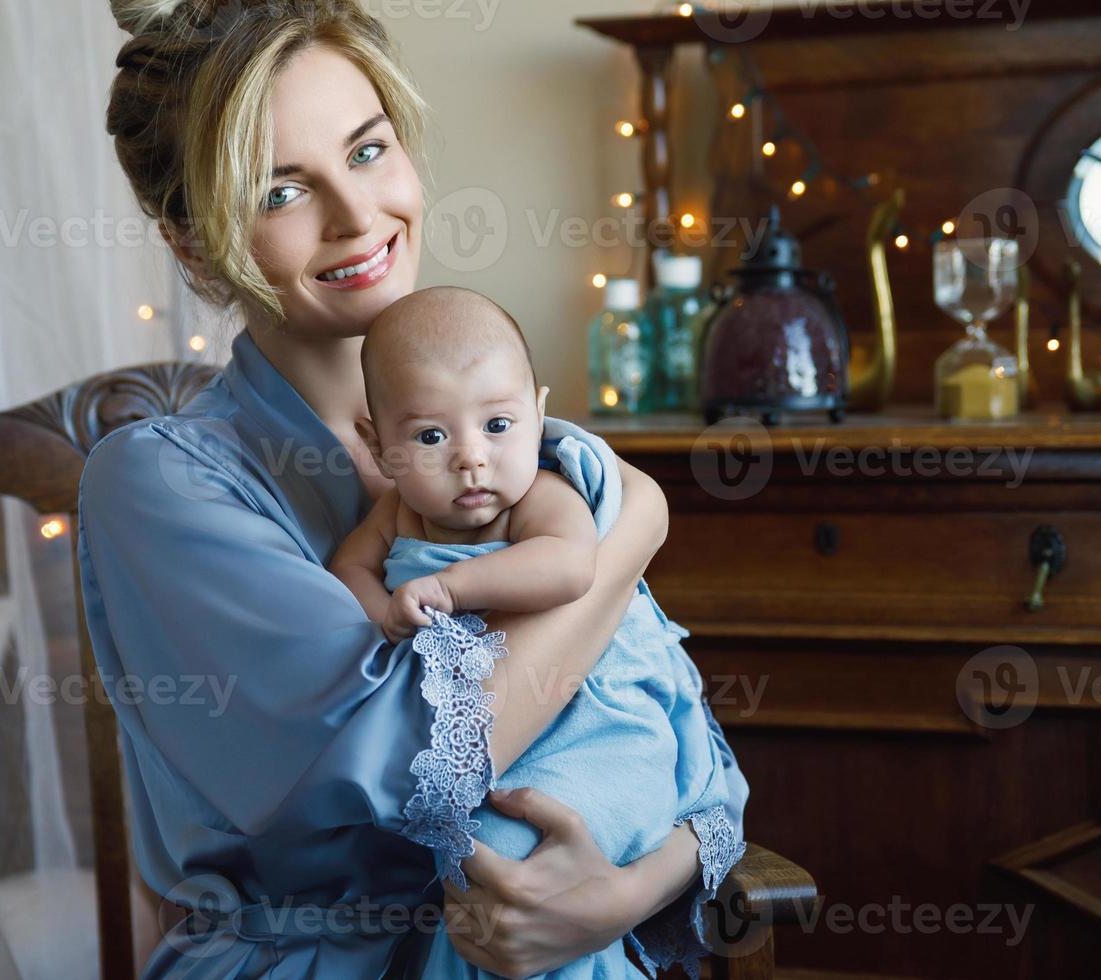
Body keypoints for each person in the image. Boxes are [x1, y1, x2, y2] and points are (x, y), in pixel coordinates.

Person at [80, 1, 740, 976]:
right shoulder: (156, 483)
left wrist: (622, 894)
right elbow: (406, 765)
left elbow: (681, 742)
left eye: (367, 149)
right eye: (278, 193)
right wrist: (632, 531)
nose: (356, 217)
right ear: (190, 243)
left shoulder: (507, 444)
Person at [328, 285, 747, 978]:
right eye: (430, 436)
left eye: (498, 425)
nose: (471, 458)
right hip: (502, 736)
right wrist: (382, 610)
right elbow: (349, 567)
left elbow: (568, 569)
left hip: (596, 719)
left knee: (506, 862)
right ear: (379, 446)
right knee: (476, 871)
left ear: (539, 412)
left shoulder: (542, 496)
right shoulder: (396, 512)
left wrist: (449, 588)